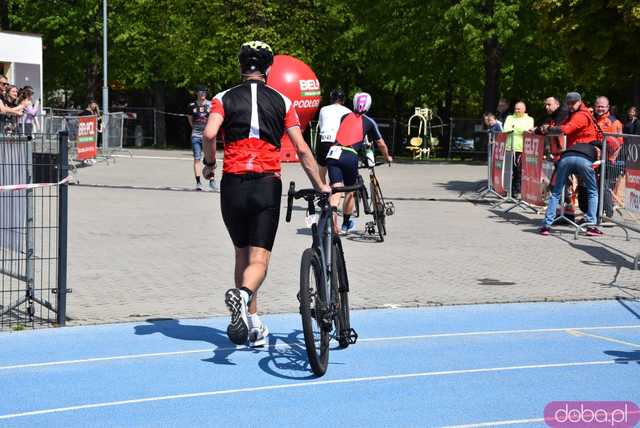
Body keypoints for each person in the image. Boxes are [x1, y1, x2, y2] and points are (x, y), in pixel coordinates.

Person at [201, 41, 329, 347]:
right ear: (269, 69)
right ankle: (243, 297)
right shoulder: (283, 101)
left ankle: (252, 324)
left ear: (241, 67)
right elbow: (300, 148)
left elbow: (208, 134)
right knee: (259, 259)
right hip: (266, 182)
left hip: (232, 182)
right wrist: (321, 184)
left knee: (241, 254)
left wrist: (209, 164)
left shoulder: (222, 98)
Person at [327, 92, 392, 234]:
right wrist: (387, 157)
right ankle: (345, 225)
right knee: (350, 191)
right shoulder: (369, 121)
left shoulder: (344, 117)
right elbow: (380, 143)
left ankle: (332, 222)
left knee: (336, 189)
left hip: (333, 152)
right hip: (349, 154)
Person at [539, 92, 603, 236]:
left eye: (573, 103)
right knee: (593, 191)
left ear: (580, 102)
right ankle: (591, 226)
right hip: (583, 158)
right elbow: (562, 126)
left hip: (569, 157)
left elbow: (567, 129)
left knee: (556, 192)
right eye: (568, 103)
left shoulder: (581, 115)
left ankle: (546, 226)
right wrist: (545, 128)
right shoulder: (576, 114)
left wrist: (549, 129)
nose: (570, 105)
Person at [316, 88, 351, 183]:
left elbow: (321, 126)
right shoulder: (348, 111)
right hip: (337, 141)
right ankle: (335, 190)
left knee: (322, 168)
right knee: (336, 169)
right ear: (343, 100)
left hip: (323, 140)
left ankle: (323, 191)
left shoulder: (323, 109)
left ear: (331, 99)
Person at [503, 101, 534, 197]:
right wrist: (520, 129)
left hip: (522, 148)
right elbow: (506, 129)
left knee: (519, 171)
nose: (517, 111)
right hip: (510, 147)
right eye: (515, 108)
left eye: (519, 109)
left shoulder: (529, 119)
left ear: (524, 109)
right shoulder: (509, 117)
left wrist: (514, 128)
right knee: (509, 170)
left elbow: (528, 130)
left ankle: (517, 190)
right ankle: (508, 190)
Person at [187, 85, 212, 190]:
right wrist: (195, 128)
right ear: (197, 93)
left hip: (207, 135)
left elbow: (213, 119)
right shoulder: (191, 105)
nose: (203, 94)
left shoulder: (211, 104)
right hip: (196, 135)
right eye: (201, 92)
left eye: (205, 92)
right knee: (197, 158)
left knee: (210, 159)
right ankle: (198, 183)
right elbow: (190, 119)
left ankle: (212, 180)